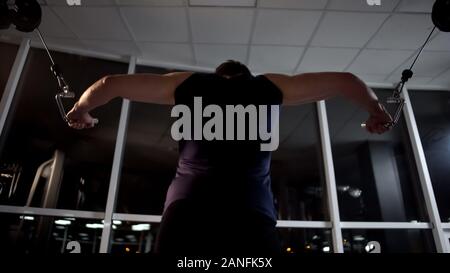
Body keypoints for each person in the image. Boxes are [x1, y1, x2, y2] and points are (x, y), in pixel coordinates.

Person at [66, 60, 392, 254]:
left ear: (217, 76)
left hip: (188, 206)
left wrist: (83, 110)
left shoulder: (187, 84)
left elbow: (111, 84)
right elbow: (343, 81)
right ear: (245, 75)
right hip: (249, 208)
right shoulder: (268, 87)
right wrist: (376, 111)